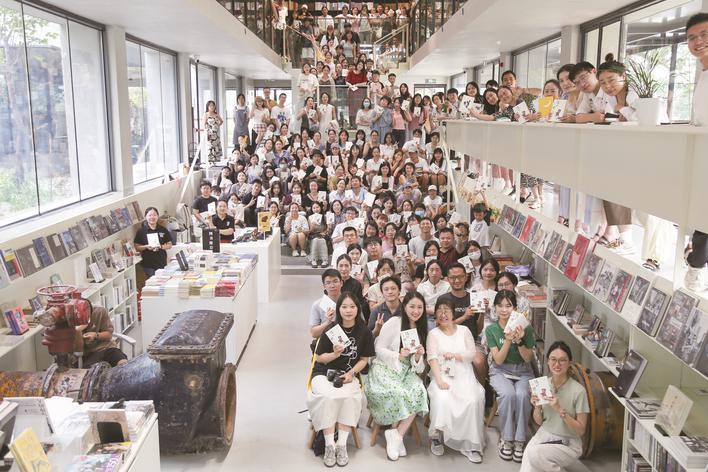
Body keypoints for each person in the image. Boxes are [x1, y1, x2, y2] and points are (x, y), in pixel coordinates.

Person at [307, 292, 375, 468]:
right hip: (324, 373)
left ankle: (342, 445)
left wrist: (351, 373)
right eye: (344, 307)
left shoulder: (365, 332)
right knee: (328, 397)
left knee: (350, 398)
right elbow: (319, 358)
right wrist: (335, 354)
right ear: (338, 309)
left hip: (348, 374)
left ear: (358, 309)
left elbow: (364, 360)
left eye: (352, 307)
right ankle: (330, 445)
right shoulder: (331, 329)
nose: (348, 310)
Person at [364, 291, 428, 461]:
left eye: (420, 307)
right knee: (399, 392)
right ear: (404, 307)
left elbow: (419, 368)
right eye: (412, 306)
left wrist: (418, 356)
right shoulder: (394, 322)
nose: (416, 311)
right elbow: (378, 348)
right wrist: (397, 355)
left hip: (406, 371)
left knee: (419, 390)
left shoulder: (421, 329)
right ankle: (395, 435)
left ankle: (396, 435)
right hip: (384, 367)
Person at [426, 298, 486, 463]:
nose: (443, 314)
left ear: (453, 313)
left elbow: (471, 354)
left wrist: (455, 356)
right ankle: (437, 436)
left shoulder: (464, 330)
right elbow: (432, 358)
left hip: (464, 373)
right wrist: (439, 380)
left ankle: (471, 443)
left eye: (447, 310)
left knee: (473, 399)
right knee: (442, 397)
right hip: (442, 374)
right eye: (439, 310)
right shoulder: (433, 334)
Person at [520, 341, 589, 472]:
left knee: (535, 454)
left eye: (562, 360)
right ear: (547, 361)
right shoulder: (542, 384)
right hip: (545, 434)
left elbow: (581, 431)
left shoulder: (579, 391)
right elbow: (539, 422)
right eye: (553, 359)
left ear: (569, 363)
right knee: (527, 467)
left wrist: (559, 409)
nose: (557, 364)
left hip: (569, 442)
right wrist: (536, 406)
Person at [486, 290, 536, 463]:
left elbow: (528, 358)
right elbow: (498, 360)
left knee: (522, 395)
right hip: (500, 371)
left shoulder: (526, 328)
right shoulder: (491, 329)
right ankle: (507, 439)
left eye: (508, 306)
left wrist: (519, 340)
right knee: (508, 395)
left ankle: (520, 440)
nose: (504, 310)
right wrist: (508, 340)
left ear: (515, 308)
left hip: (523, 371)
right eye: (500, 305)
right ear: (495, 308)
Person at [685, 13, 708, 292]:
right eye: (692, 38)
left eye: (704, 34)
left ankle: (696, 268)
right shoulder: (702, 74)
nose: (698, 41)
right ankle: (696, 268)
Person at [133, 207, 174, 278]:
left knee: (161, 281)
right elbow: (137, 247)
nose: (152, 217)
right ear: (145, 217)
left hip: (161, 262)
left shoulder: (163, 229)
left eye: (154, 215)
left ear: (158, 216)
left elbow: (170, 245)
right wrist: (146, 247)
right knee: (152, 281)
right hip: (148, 264)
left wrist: (161, 246)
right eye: (150, 215)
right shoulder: (141, 231)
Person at [416, 259, 451, 330]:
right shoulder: (421, 286)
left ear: (441, 271)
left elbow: (449, 305)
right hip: (425, 315)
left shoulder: (447, 286)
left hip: (443, 315)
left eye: (437, 270)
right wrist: (432, 311)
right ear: (427, 271)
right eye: (431, 270)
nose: (434, 273)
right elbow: (418, 305)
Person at [309, 269, 343, 338]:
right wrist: (327, 322)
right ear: (324, 286)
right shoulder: (317, 305)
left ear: (341, 283)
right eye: (328, 283)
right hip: (326, 341)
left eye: (335, 281)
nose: (332, 286)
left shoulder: (350, 301)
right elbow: (313, 333)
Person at [308, 201, 330, 268]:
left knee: (322, 240)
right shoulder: (310, 217)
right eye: (314, 208)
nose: (316, 209)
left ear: (320, 208)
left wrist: (324, 232)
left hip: (323, 234)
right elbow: (310, 231)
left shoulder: (325, 217)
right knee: (316, 240)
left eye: (317, 207)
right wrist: (312, 226)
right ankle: (313, 259)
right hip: (314, 235)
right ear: (312, 209)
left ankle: (325, 260)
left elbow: (328, 228)